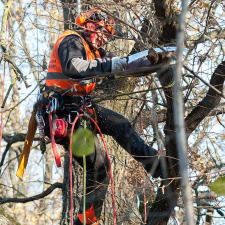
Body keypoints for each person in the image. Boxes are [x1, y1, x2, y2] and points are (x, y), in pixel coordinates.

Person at [42, 7, 163, 225]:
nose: (105, 39)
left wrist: (154, 63)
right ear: (90, 26)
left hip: (82, 108)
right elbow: (73, 67)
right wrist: (109, 65)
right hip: (63, 111)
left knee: (122, 126)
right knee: (99, 165)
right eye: (103, 33)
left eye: (108, 36)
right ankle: (86, 220)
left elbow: (127, 66)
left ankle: (158, 165)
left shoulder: (96, 53)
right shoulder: (71, 40)